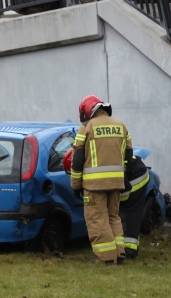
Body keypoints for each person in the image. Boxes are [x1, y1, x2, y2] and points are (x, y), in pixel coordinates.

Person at [70, 95, 132, 265]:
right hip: (116, 183)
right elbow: (128, 155)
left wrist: (75, 185)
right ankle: (119, 253)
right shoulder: (121, 126)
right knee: (113, 217)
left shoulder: (87, 128)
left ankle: (105, 258)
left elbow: (77, 160)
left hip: (94, 185)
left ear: (87, 111)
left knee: (98, 219)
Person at [64, 147, 149, 260]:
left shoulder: (96, 166)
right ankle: (119, 251)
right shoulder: (94, 160)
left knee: (126, 214)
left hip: (135, 178)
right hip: (124, 176)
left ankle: (128, 251)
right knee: (115, 215)